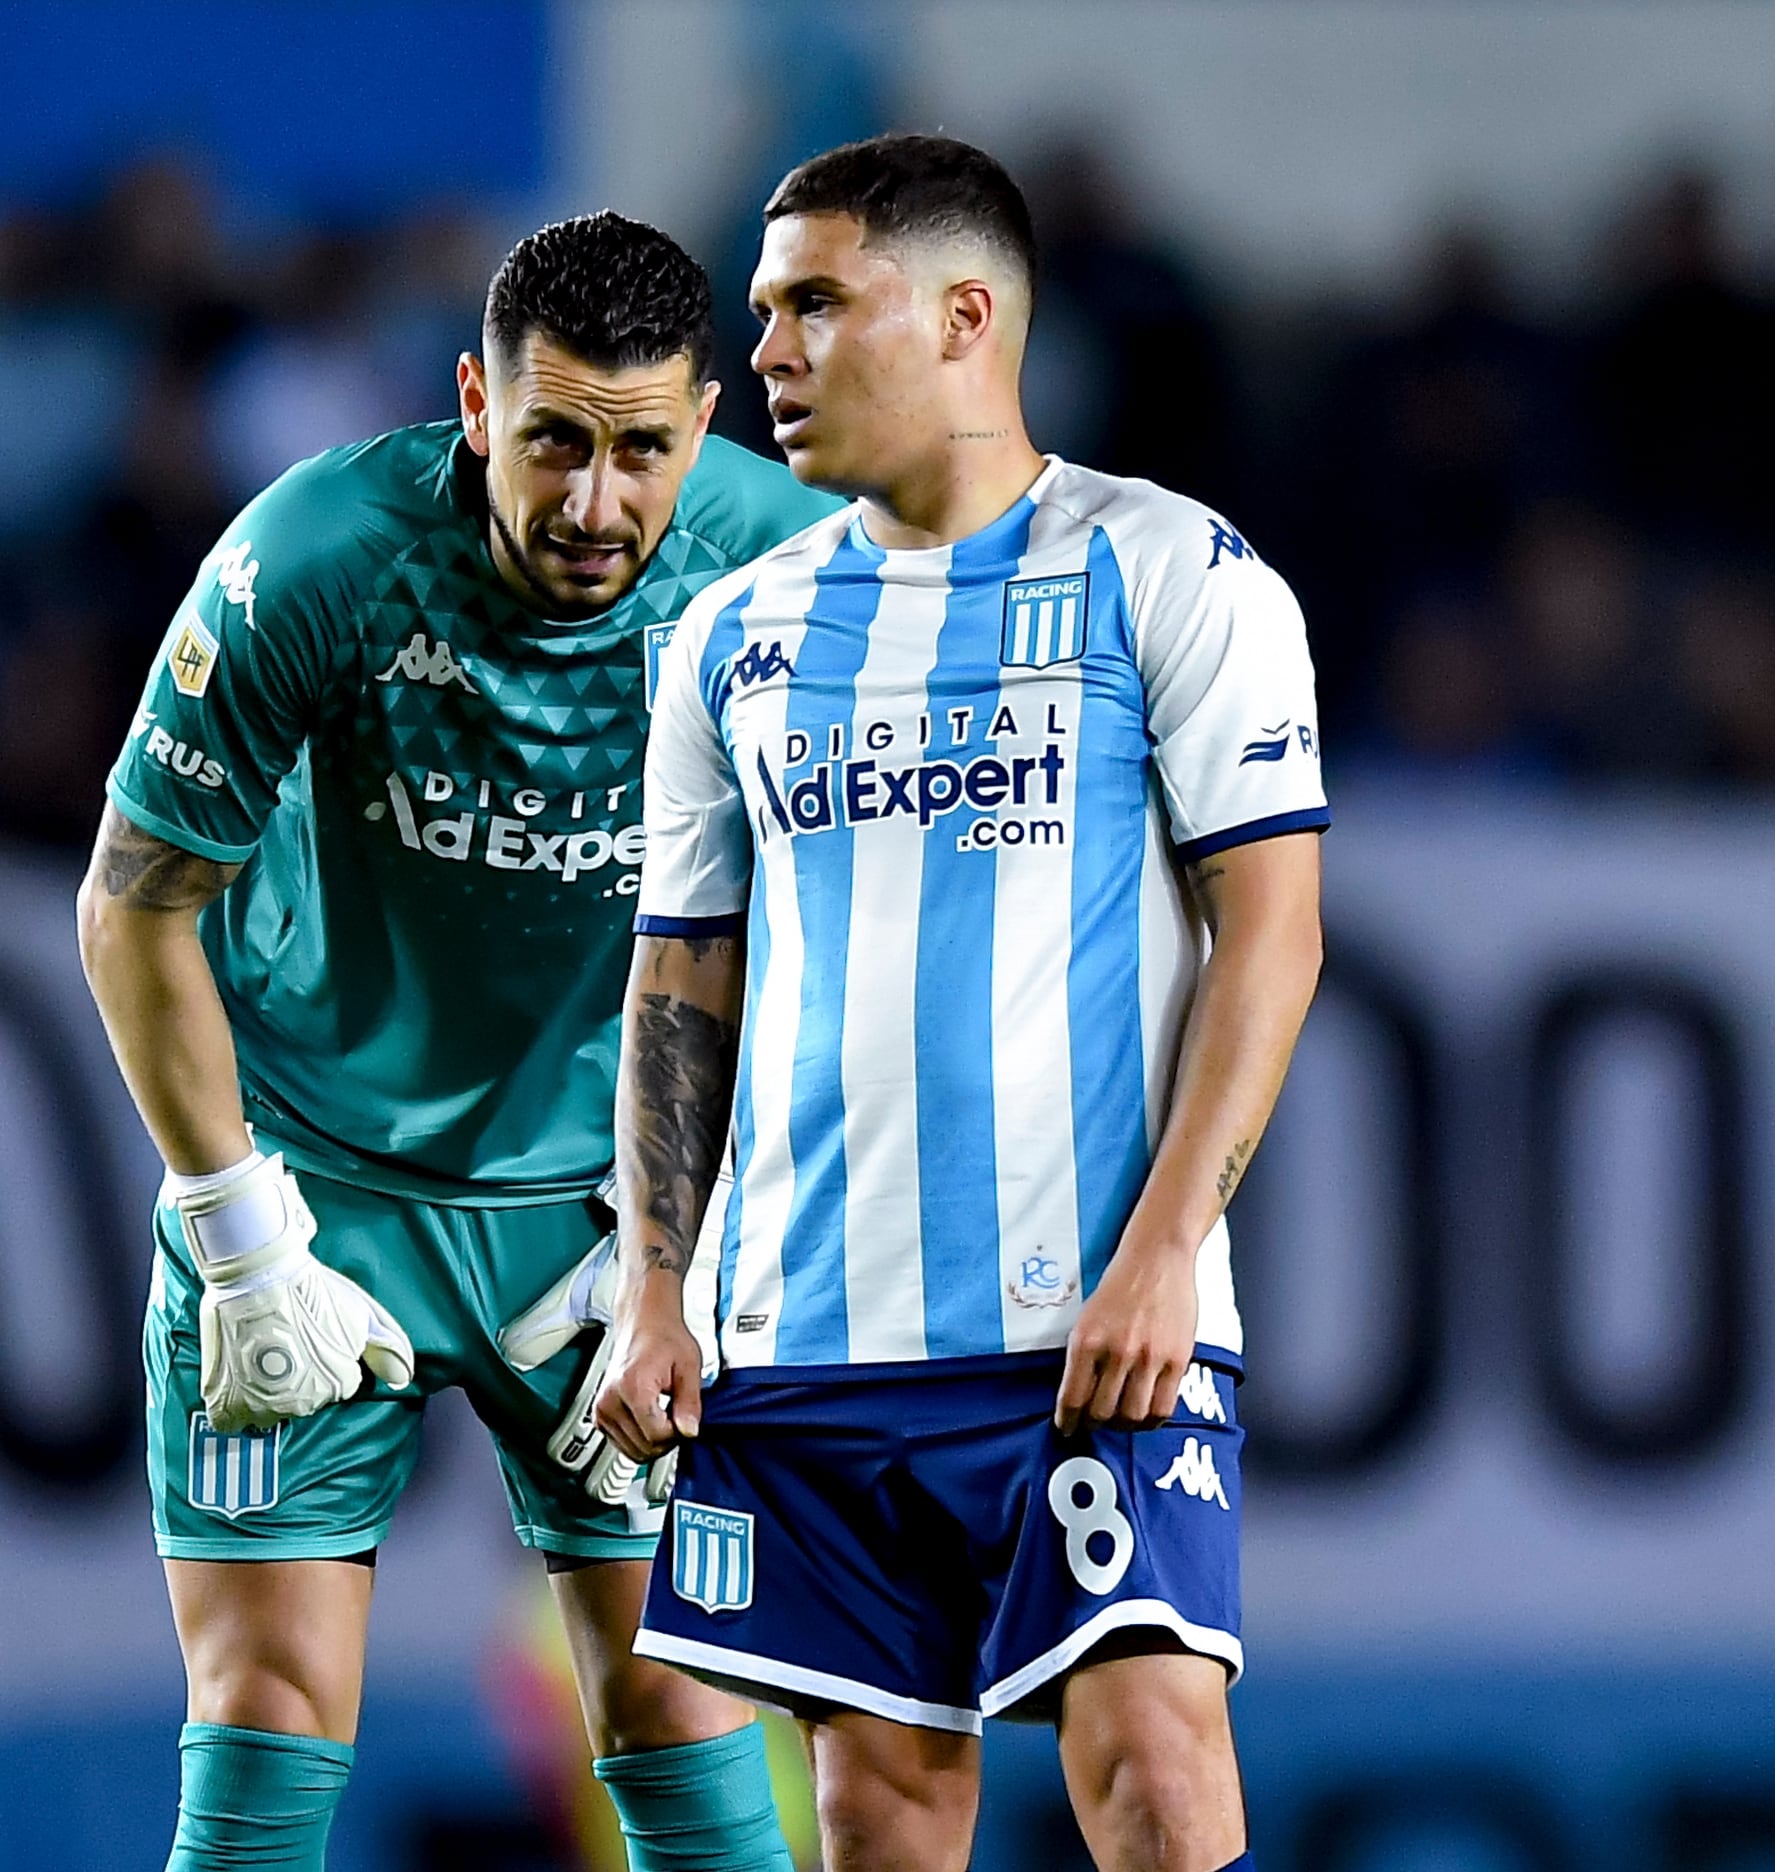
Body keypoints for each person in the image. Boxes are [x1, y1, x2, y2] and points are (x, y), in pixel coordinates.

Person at [594, 135, 1332, 1872]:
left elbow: (1274, 936)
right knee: (881, 1803)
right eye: (760, 312)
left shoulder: (1171, 573)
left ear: (965, 317)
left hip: (1086, 1317)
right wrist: (649, 1283)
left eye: (813, 307)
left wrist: (1163, 1250)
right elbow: (680, 972)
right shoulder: (730, 636)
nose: (762, 353)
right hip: (810, 1334)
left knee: (1154, 1758)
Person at [77, 212, 839, 1872]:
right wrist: (238, 1233)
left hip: (590, 1210)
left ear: (704, 424)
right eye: (554, 439)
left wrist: (683, 1245)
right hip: (314, 1194)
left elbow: (865, 927)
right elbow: (133, 908)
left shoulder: (796, 576)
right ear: (477, 406)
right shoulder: (315, 559)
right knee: (272, 1710)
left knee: (684, 1704)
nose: (592, 501)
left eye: (642, 450)